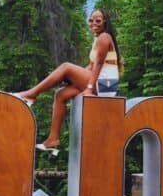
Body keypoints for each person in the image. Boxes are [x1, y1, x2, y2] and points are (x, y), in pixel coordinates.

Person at [13, 9, 123, 155]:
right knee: (61, 94)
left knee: (66, 67)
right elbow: (90, 66)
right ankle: (53, 139)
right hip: (99, 82)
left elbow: (98, 65)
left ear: (105, 22)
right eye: (91, 20)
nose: (93, 23)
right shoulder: (98, 38)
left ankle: (31, 94)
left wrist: (89, 88)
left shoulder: (104, 37)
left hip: (104, 85)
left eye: (98, 20)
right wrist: (73, 79)